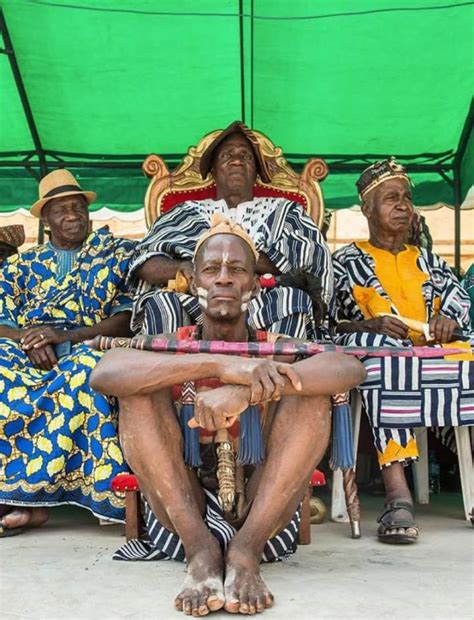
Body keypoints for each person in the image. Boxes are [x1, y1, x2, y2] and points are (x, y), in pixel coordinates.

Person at [91, 218, 365, 615]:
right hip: (182, 519)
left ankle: (243, 554)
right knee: (138, 391)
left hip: (265, 518)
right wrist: (221, 365)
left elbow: (348, 368)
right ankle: (202, 553)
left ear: (254, 285)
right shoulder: (172, 345)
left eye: (237, 270)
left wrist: (247, 389)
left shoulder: (276, 347)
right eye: (211, 269)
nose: (223, 279)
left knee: (309, 390)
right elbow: (106, 372)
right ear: (193, 282)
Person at [332, 158, 473, 544]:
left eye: (407, 198)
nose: (403, 205)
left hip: (431, 356)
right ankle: (398, 492)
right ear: (367, 209)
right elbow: (327, 323)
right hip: (381, 355)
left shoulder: (427, 260)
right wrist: (367, 325)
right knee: (386, 355)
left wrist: (447, 318)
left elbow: (459, 300)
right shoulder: (346, 261)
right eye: (391, 198)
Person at [0, 169, 135, 536]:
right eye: (61, 209)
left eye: (78, 207)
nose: (72, 214)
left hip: (87, 341)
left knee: (86, 373)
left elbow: (125, 319)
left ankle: (35, 500)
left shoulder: (114, 255)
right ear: (46, 218)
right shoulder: (19, 265)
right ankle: (20, 496)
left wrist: (66, 336)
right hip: (25, 346)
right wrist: (30, 339)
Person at [128, 120, 333, 340]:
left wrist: (235, 268)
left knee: (292, 299)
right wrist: (184, 267)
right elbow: (144, 261)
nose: (237, 160)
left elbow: (309, 255)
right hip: (199, 300)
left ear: (256, 171)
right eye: (227, 156)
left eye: (245, 157)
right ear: (213, 171)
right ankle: (176, 374)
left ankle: (278, 374)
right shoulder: (184, 212)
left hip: (264, 300)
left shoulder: (286, 211)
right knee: (163, 302)